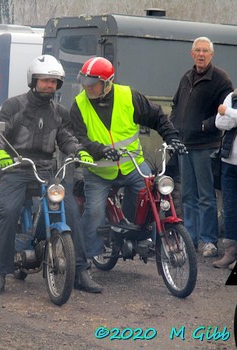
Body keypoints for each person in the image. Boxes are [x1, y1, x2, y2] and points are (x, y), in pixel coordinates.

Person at [0, 54, 102, 295]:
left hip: (47, 170)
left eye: (54, 81)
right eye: (45, 80)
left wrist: (79, 152)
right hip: (17, 169)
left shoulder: (60, 112)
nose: (49, 85)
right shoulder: (13, 105)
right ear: (33, 80)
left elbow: (66, 137)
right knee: (8, 212)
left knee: (70, 210)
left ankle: (80, 271)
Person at [70, 56, 186, 262]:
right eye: (85, 84)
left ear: (107, 83)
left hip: (132, 165)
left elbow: (157, 116)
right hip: (98, 171)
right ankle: (87, 257)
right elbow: (79, 138)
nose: (88, 89)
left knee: (150, 197)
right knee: (94, 212)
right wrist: (100, 150)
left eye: (93, 84)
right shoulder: (79, 104)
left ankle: (133, 235)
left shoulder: (128, 96)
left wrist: (172, 138)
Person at [170, 37, 234, 257]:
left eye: (205, 51)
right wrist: (174, 128)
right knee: (187, 194)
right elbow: (176, 104)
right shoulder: (186, 77)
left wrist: (204, 126)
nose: (201, 54)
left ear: (212, 54)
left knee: (206, 196)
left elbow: (224, 111)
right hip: (184, 146)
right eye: (197, 50)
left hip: (206, 146)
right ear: (191, 53)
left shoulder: (221, 79)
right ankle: (190, 238)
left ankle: (208, 241)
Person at [213, 89, 237, 269]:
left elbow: (225, 115)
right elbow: (219, 123)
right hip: (228, 161)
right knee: (229, 208)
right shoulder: (233, 96)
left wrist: (227, 112)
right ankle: (230, 251)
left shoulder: (230, 102)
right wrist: (229, 117)